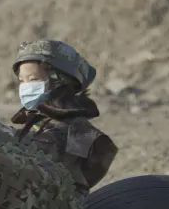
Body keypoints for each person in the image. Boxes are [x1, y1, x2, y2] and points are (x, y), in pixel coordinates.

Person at [11, 40, 117, 193]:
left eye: (33, 80)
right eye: (22, 81)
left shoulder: (79, 129)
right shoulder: (42, 120)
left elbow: (40, 155)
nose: (25, 87)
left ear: (59, 81)